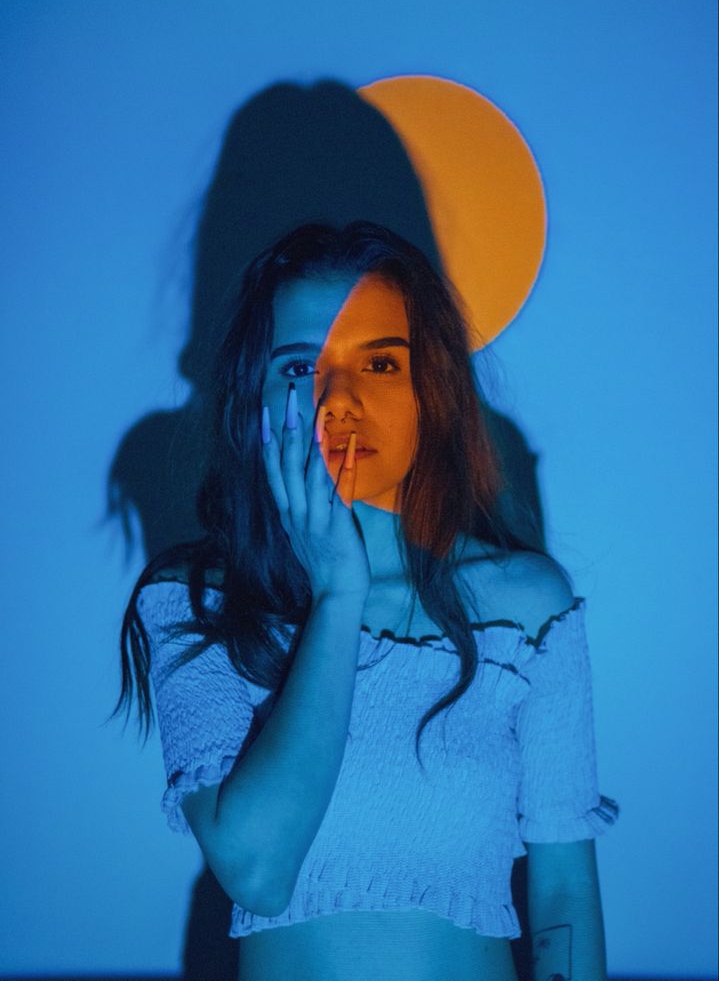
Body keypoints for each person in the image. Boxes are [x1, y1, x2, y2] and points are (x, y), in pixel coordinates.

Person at [113, 220, 619, 981]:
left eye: (380, 362)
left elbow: (563, 891)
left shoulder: (524, 601)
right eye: (298, 366)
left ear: (429, 390)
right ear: (256, 398)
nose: (338, 399)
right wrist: (337, 595)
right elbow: (255, 867)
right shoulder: (195, 602)